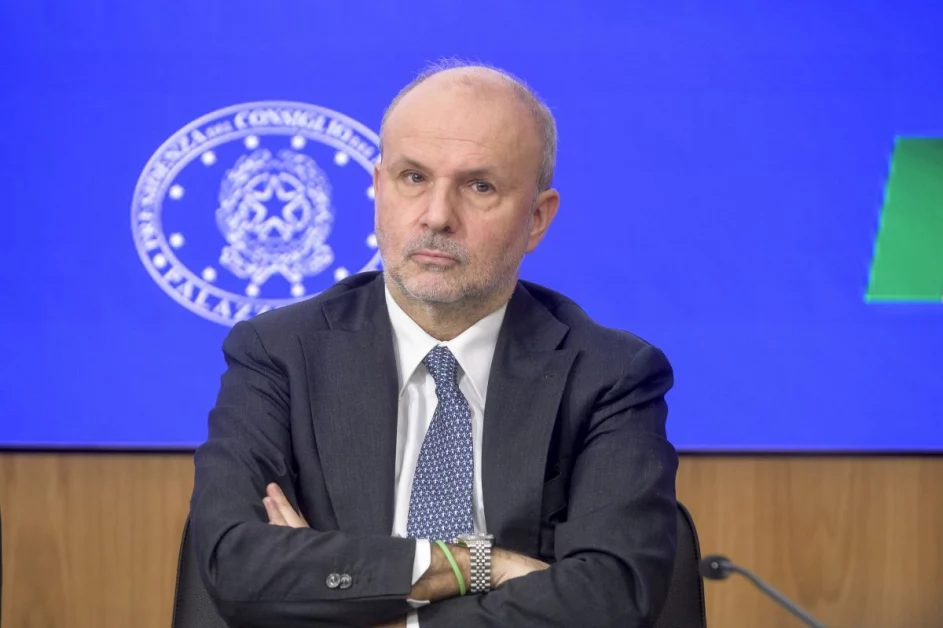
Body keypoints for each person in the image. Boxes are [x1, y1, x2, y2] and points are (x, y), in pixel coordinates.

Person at [190, 60, 679, 628]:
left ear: (537, 219)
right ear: (378, 189)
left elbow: (610, 597)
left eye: (479, 186)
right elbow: (239, 563)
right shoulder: (278, 354)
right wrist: (479, 564)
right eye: (413, 178)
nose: (438, 216)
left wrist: (368, 610)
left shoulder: (610, 375)